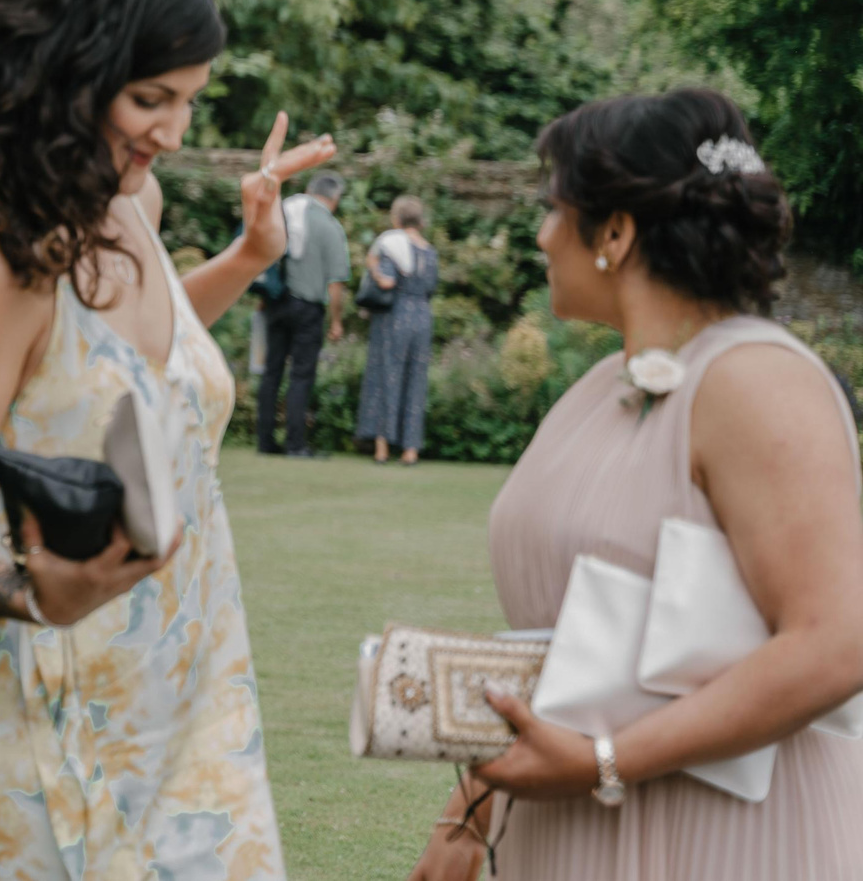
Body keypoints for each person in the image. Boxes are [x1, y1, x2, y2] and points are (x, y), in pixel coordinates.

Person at [0, 0, 336, 880]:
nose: (173, 131)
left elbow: (134, 361)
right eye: (150, 99)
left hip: (194, 710)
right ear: (71, 76)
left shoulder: (135, 208)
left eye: (189, 100)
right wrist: (35, 591)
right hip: (44, 728)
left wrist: (251, 256)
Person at [410, 89, 863, 881]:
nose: (541, 235)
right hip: (565, 823)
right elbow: (576, 642)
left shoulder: (757, 381)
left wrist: (604, 760)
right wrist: (471, 809)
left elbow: (838, 642)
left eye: (552, 209)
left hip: (716, 836)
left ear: (614, 232)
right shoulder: (599, 386)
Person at [253, 169, 350, 458]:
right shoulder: (329, 226)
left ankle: (265, 441)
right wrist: (336, 321)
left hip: (276, 303)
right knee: (301, 375)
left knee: (271, 372)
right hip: (308, 308)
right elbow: (336, 282)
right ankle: (295, 444)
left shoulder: (284, 213)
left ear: (310, 190)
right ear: (334, 197)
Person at [357, 195, 439, 465]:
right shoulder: (430, 251)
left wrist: (372, 266)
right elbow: (431, 287)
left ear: (396, 219)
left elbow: (387, 282)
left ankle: (382, 449)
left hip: (395, 316)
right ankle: (410, 450)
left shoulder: (393, 243)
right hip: (422, 316)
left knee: (387, 376)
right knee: (416, 381)